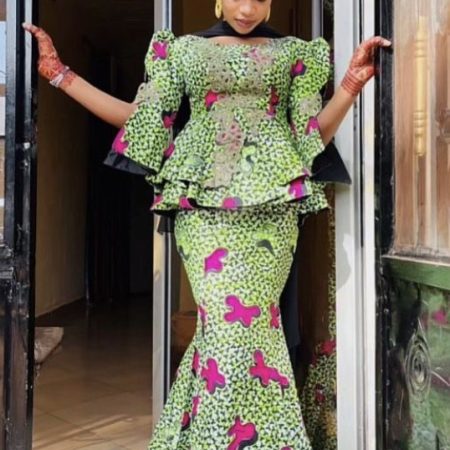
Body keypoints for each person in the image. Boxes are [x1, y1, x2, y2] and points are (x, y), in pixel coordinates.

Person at [23, 0, 391, 448]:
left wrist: (351, 85)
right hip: (202, 208)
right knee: (225, 327)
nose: (248, 8)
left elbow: (311, 136)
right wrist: (60, 74)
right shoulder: (182, 50)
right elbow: (142, 121)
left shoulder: (295, 52)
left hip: (271, 208)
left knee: (254, 328)